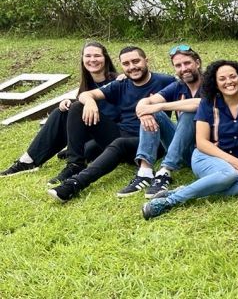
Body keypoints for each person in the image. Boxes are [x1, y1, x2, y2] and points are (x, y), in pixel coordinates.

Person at [142, 60, 238, 220]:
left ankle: (183, 191)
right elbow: (201, 143)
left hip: (232, 163)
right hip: (205, 156)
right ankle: (168, 202)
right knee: (229, 174)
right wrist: (233, 161)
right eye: (222, 79)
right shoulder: (208, 103)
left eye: (232, 77)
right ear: (215, 83)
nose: (229, 82)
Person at [48, 46, 176, 202]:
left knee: (118, 144)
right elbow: (86, 94)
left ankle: (75, 183)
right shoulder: (120, 84)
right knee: (77, 107)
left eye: (136, 61)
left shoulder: (166, 81)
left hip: (151, 139)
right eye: (126, 64)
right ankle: (75, 164)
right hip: (121, 133)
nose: (132, 67)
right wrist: (89, 101)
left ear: (146, 61)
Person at [1, 41, 119, 178]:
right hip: (93, 133)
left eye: (97, 56)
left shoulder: (118, 81)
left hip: (114, 135)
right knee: (61, 112)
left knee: (87, 148)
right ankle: (28, 160)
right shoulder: (87, 84)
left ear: (105, 58)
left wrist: (86, 104)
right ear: (82, 59)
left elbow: (114, 113)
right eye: (88, 56)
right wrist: (72, 103)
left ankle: (74, 163)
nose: (92, 60)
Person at [129, 45, 204, 198]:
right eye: (178, 65)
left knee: (189, 113)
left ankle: (165, 172)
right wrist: (145, 113)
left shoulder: (211, 84)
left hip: (203, 152)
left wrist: (160, 106)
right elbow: (145, 102)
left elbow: (200, 104)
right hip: (182, 148)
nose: (184, 68)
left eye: (187, 63)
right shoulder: (178, 86)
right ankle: (145, 172)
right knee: (153, 114)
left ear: (197, 63)